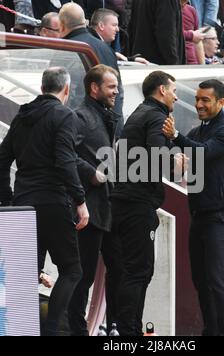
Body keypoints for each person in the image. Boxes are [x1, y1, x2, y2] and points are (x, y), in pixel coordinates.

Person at [0, 67, 89, 336]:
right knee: (72, 270)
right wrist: (80, 200)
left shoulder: (22, 116)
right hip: (53, 200)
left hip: (23, 202)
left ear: (41, 88)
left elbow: (2, 160)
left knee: (27, 272)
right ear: (66, 90)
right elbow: (65, 161)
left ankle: (20, 330)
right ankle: (50, 331)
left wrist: (9, 199)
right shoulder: (64, 115)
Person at [163, 79, 224, 336]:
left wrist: (175, 136)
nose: (199, 104)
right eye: (197, 99)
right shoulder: (197, 132)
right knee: (201, 279)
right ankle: (211, 331)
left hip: (221, 214)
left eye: (205, 100)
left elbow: (201, 153)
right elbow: (187, 161)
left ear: (221, 102)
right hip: (199, 213)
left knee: (217, 279)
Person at [111, 70, 186, 336]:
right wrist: (175, 161)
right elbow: (155, 155)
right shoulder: (157, 116)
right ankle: (128, 332)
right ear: (162, 90)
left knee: (129, 269)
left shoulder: (139, 113)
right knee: (139, 270)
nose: (177, 97)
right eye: (173, 90)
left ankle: (125, 328)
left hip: (124, 200)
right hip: (137, 202)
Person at [67, 64, 120, 336]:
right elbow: (65, 155)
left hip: (107, 209)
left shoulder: (108, 116)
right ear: (94, 88)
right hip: (87, 209)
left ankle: (114, 327)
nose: (117, 91)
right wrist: (93, 175)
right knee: (83, 276)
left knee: (119, 269)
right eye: (111, 87)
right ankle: (75, 330)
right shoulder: (80, 117)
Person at [59, 2, 124, 137]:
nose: (117, 29)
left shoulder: (65, 50)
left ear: (62, 24)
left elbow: (64, 92)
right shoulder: (106, 48)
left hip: (78, 128)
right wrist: (116, 127)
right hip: (107, 125)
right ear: (84, 22)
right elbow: (118, 91)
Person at [128, 0, 186, 65]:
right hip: (159, 64)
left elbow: (131, 29)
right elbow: (166, 34)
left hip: (142, 60)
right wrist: (174, 63)